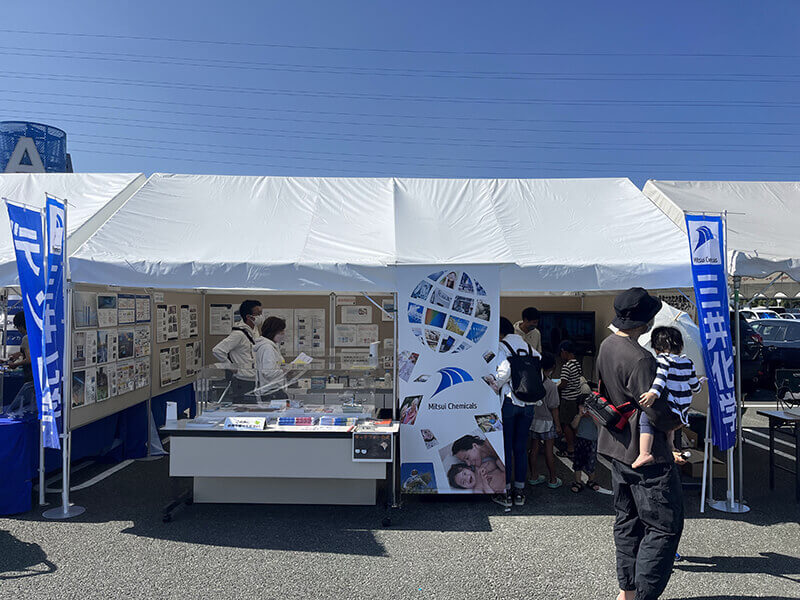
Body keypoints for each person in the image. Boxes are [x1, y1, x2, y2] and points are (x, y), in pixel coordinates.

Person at [596, 287, 684, 600]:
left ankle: (627, 592)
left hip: (617, 445)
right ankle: (643, 595)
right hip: (647, 455)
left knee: (627, 522)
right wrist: (678, 422)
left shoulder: (608, 345)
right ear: (644, 321)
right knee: (663, 527)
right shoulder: (641, 358)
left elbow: (604, 391)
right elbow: (656, 412)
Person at [633, 326, 703, 469]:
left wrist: (653, 393)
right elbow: (695, 387)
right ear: (680, 346)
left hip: (670, 407)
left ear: (656, 347)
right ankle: (671, 446)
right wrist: (700, 383)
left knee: (645, 418)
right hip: (682, 411)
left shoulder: (663, 360)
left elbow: (661, 378)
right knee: (670, 426)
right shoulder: (688, 362)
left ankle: (644, 453)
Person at [491, 316, 541, 508]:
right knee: (520, 447)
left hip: (510, 402)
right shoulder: (529, 348)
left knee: (506, 448)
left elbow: (503, 373)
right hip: (529, 404)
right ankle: (520, 491)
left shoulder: (502, 347)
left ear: (499, 331)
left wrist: (492, 383)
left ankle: (506, 491)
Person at [212, 300, 262, 401]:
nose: (261, 316)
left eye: (261, 313)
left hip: (255, 378)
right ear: (248, 317)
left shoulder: (255, 330)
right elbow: (217, 350)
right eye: (258, 314)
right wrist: (230, 366)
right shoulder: (238, 334)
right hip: (242, 380)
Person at [528, 352, 562, 489]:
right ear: (553, 367)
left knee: (533, 449)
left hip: (533, 420)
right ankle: (553, 479)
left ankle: (534, 476)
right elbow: (554, 407)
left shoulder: (532, 380)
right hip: (547, 421)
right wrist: (558, 425)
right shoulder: (551, 386)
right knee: (549, 451)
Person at [557, 340, 582, 458]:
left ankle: (570, 448)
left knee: (565, 424)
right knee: (574, 424)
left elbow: (564, 384)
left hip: (567, 399)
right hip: (576, 397)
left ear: (564, 352)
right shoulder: (577, 364)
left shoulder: (566, 366)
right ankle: (575, 445)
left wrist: (555, 386)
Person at [253, 316, 288, 400]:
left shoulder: (271, 346)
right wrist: (284, 371)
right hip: (271, 391)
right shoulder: (267, 348)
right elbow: (268, 372)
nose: (283, 334)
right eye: (281, 331)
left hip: (272, 389)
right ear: (273, 332)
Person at [569, 402, 600, 493]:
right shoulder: (578, 416)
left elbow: (599, 426)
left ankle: (591, 480)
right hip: (580, 440)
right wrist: (579, 415)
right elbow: (573, 425)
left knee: (591, 462)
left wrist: (593, 414)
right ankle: (577, 481)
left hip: (592, 441)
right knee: (578, 462)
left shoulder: (595, 417)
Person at [5, 312, 32, 382]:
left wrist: (15, 364)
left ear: (21, 326)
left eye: (17, 327)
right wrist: (20, 353)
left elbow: (29, 359)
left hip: (30, 376)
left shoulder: (26, 338)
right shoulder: (35, 336)